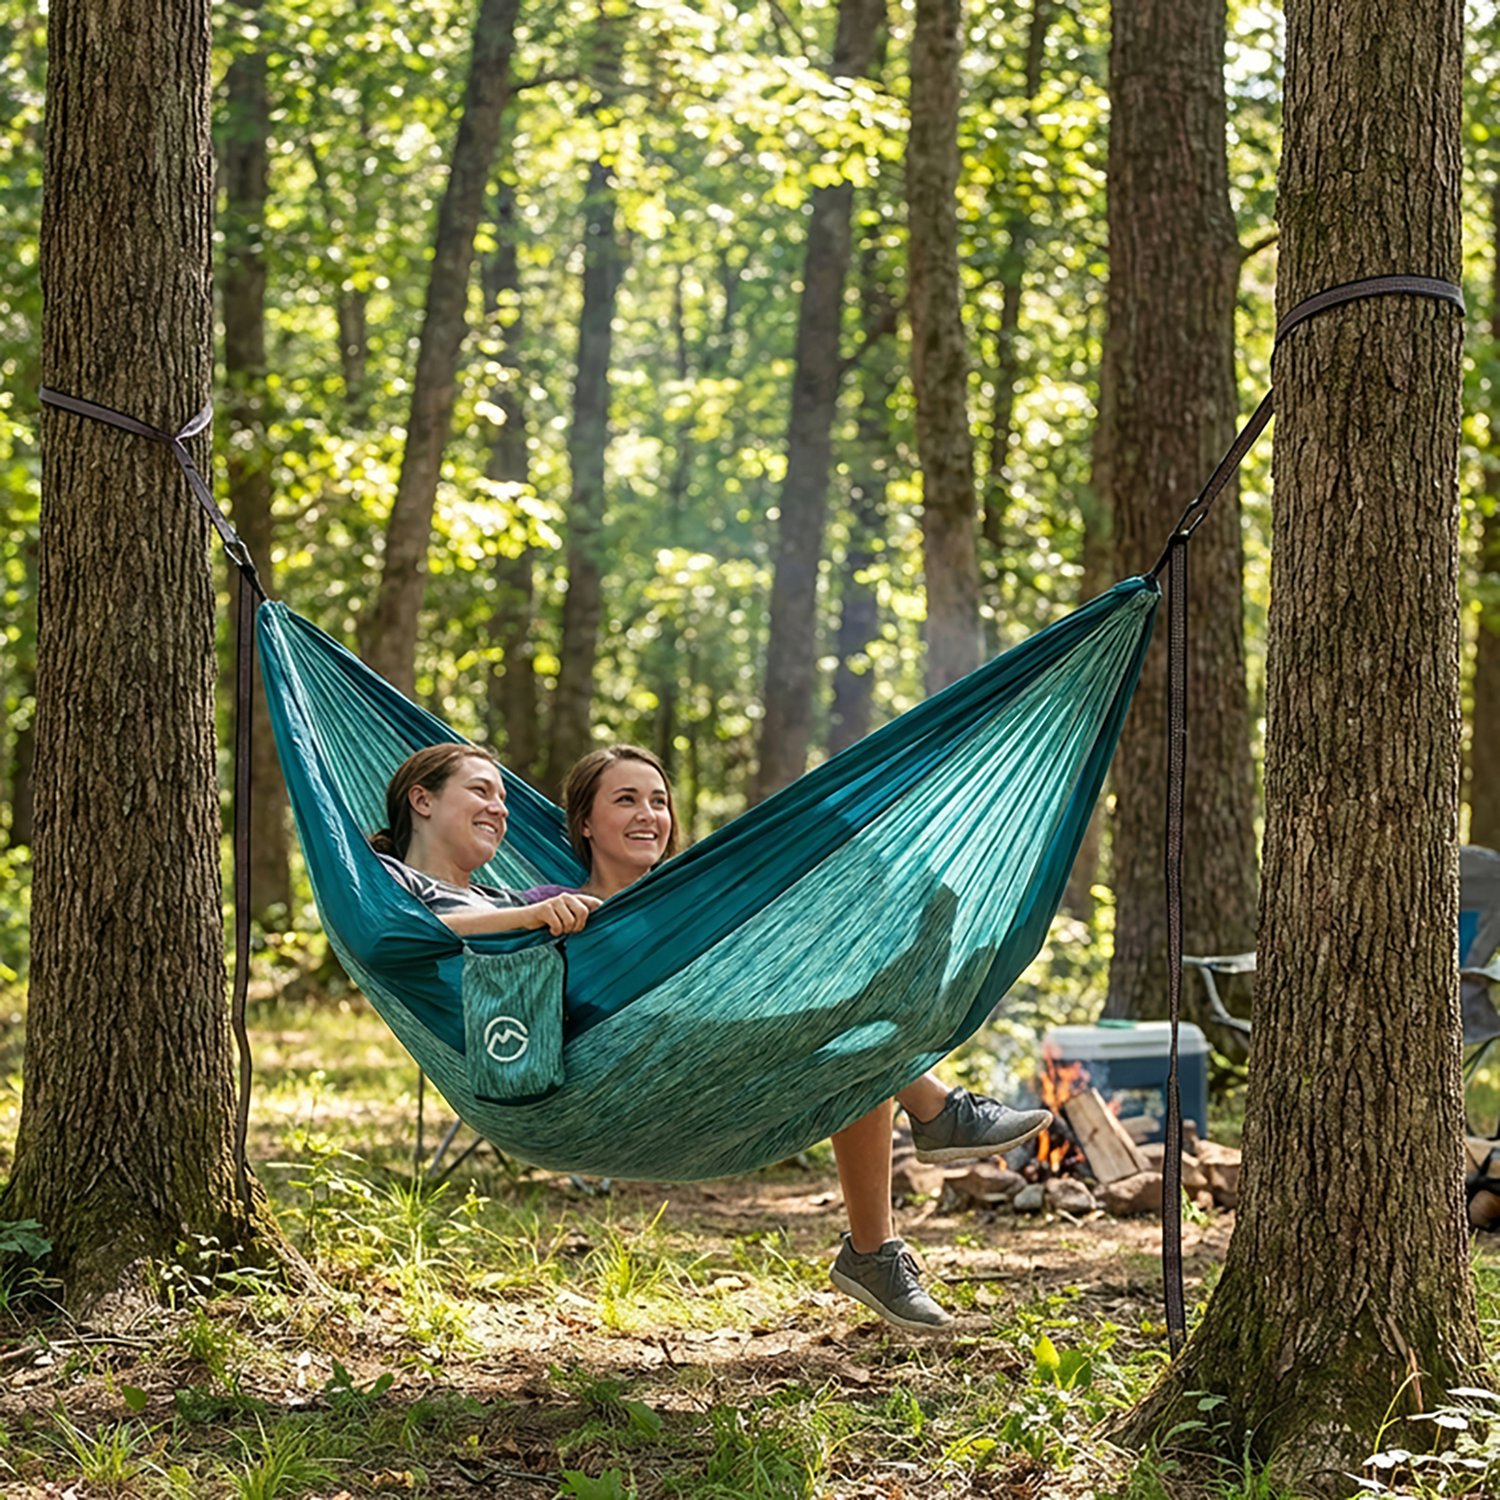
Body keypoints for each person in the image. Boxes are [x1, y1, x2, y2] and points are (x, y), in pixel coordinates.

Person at [376, 741, 1051, 1331]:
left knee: (856, 1055)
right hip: (603, 1076)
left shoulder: (686, 905)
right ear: (584, 823)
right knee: (870, 1032)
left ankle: (874, 1249)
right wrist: (541, 918)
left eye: (659, 801)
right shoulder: (526, 901)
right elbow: (402, 935)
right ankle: (928, 1090)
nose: (649, 814)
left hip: (707, 1064)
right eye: (626, 801)